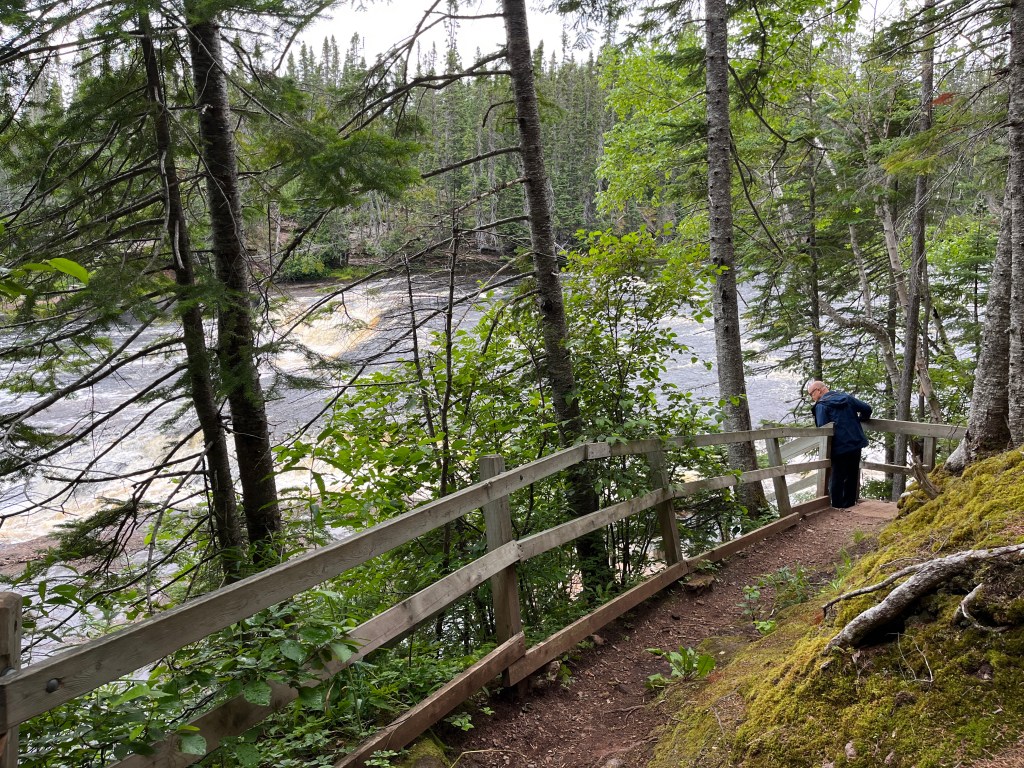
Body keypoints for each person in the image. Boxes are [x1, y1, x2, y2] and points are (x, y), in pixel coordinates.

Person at [806, 380, 872, 509]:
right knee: (852, 475)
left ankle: (837, 507)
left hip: (838, 447)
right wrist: (861, 419)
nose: (811, 397)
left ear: (818, 390)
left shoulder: (822, 406)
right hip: (855, 443)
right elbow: (867, 409)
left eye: (811, 394)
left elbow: (823, 429)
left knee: (837, 477)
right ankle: (849, 505)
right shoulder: (846, 398)